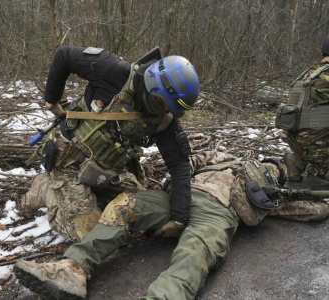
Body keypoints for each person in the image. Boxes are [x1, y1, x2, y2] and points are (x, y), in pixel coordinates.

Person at [13, 151, 329, 299]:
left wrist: (320, 205)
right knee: (127, 205)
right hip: (179, 198)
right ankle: (73, 268)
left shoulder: (273, 191)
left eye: (278, 169)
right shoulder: (227, 158)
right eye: (272, 163)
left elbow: (306, 210)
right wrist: (173, 184)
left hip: (217, 214)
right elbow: (191, 160)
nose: (272, 168)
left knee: (195, 254)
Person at [19, 46, 200, 243]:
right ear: (155, 88)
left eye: (171, 109)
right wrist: (52, 101)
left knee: (148, 212)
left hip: (105, 173)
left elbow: (179, 164)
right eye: (165, 105)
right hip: (68, 164)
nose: (166, 112)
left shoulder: (164, 119)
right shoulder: (114, 71)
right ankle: (44, 188)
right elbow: (64, 56)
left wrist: (179, 218)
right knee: (93, 238)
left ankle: (92, 199)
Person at [276, 35, 329, 182]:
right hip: (319, 149)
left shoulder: (309, 73)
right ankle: (315, 168)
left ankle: (298, 161)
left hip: (298, 145)